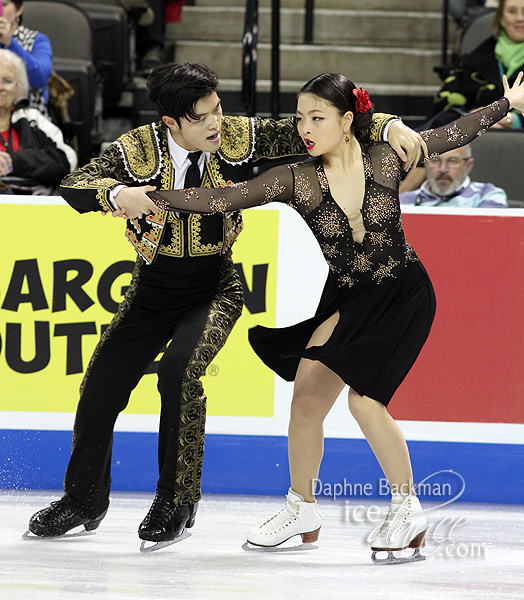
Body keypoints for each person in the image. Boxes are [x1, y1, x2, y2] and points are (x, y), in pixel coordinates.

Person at [26, 62, 425, 550]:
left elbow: (322, 122)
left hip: (216, 286)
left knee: (180, 372)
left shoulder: (237, 136)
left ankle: (177, 501)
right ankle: (83, 500)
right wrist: (117, 193)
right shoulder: (136, 150)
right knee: (101, 382)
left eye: (219, 108)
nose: (218, 123)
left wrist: (387, 123)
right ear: (173, 123)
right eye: (203, 117)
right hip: (151, 290)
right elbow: (74, 185)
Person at [145, 71, 524, 563]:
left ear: (347, 121)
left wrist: (506, 104)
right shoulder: (297, 180)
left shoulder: (386, 158)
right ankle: (301, 507)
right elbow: (224, 198)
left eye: (317, 117)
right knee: (305, 399)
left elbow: (452, 135)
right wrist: (151, 199)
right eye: (300, 118)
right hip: (347, 296)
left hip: (402, 293)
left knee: (364, 403)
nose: (305, 128)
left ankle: (407, 508)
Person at [433, 0, 524, 129]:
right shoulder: (474, 61)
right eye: (512, 11)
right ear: (501, 19)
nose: (520, 18)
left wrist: (511, 120)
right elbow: (443, 106)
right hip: (471, 140)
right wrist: (471, 118)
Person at [0, 49, 76, 194]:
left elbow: (66, 162)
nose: (0, 87)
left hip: (33, 205)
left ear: (18, 87)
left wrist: (13, 161)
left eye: (7, 81)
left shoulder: (32, 119)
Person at [399, 145, 508, 208]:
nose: (443, 169)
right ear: (426, 164)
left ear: (468, 166)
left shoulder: (487, 195)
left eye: (452, 161)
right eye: (435, 161)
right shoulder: (403, 202)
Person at [0, 0, 52, 116]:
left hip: (27, 119)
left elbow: (39, 78)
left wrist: (9, 42)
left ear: (19, 9)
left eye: (4, 4)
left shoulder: (37, 41)